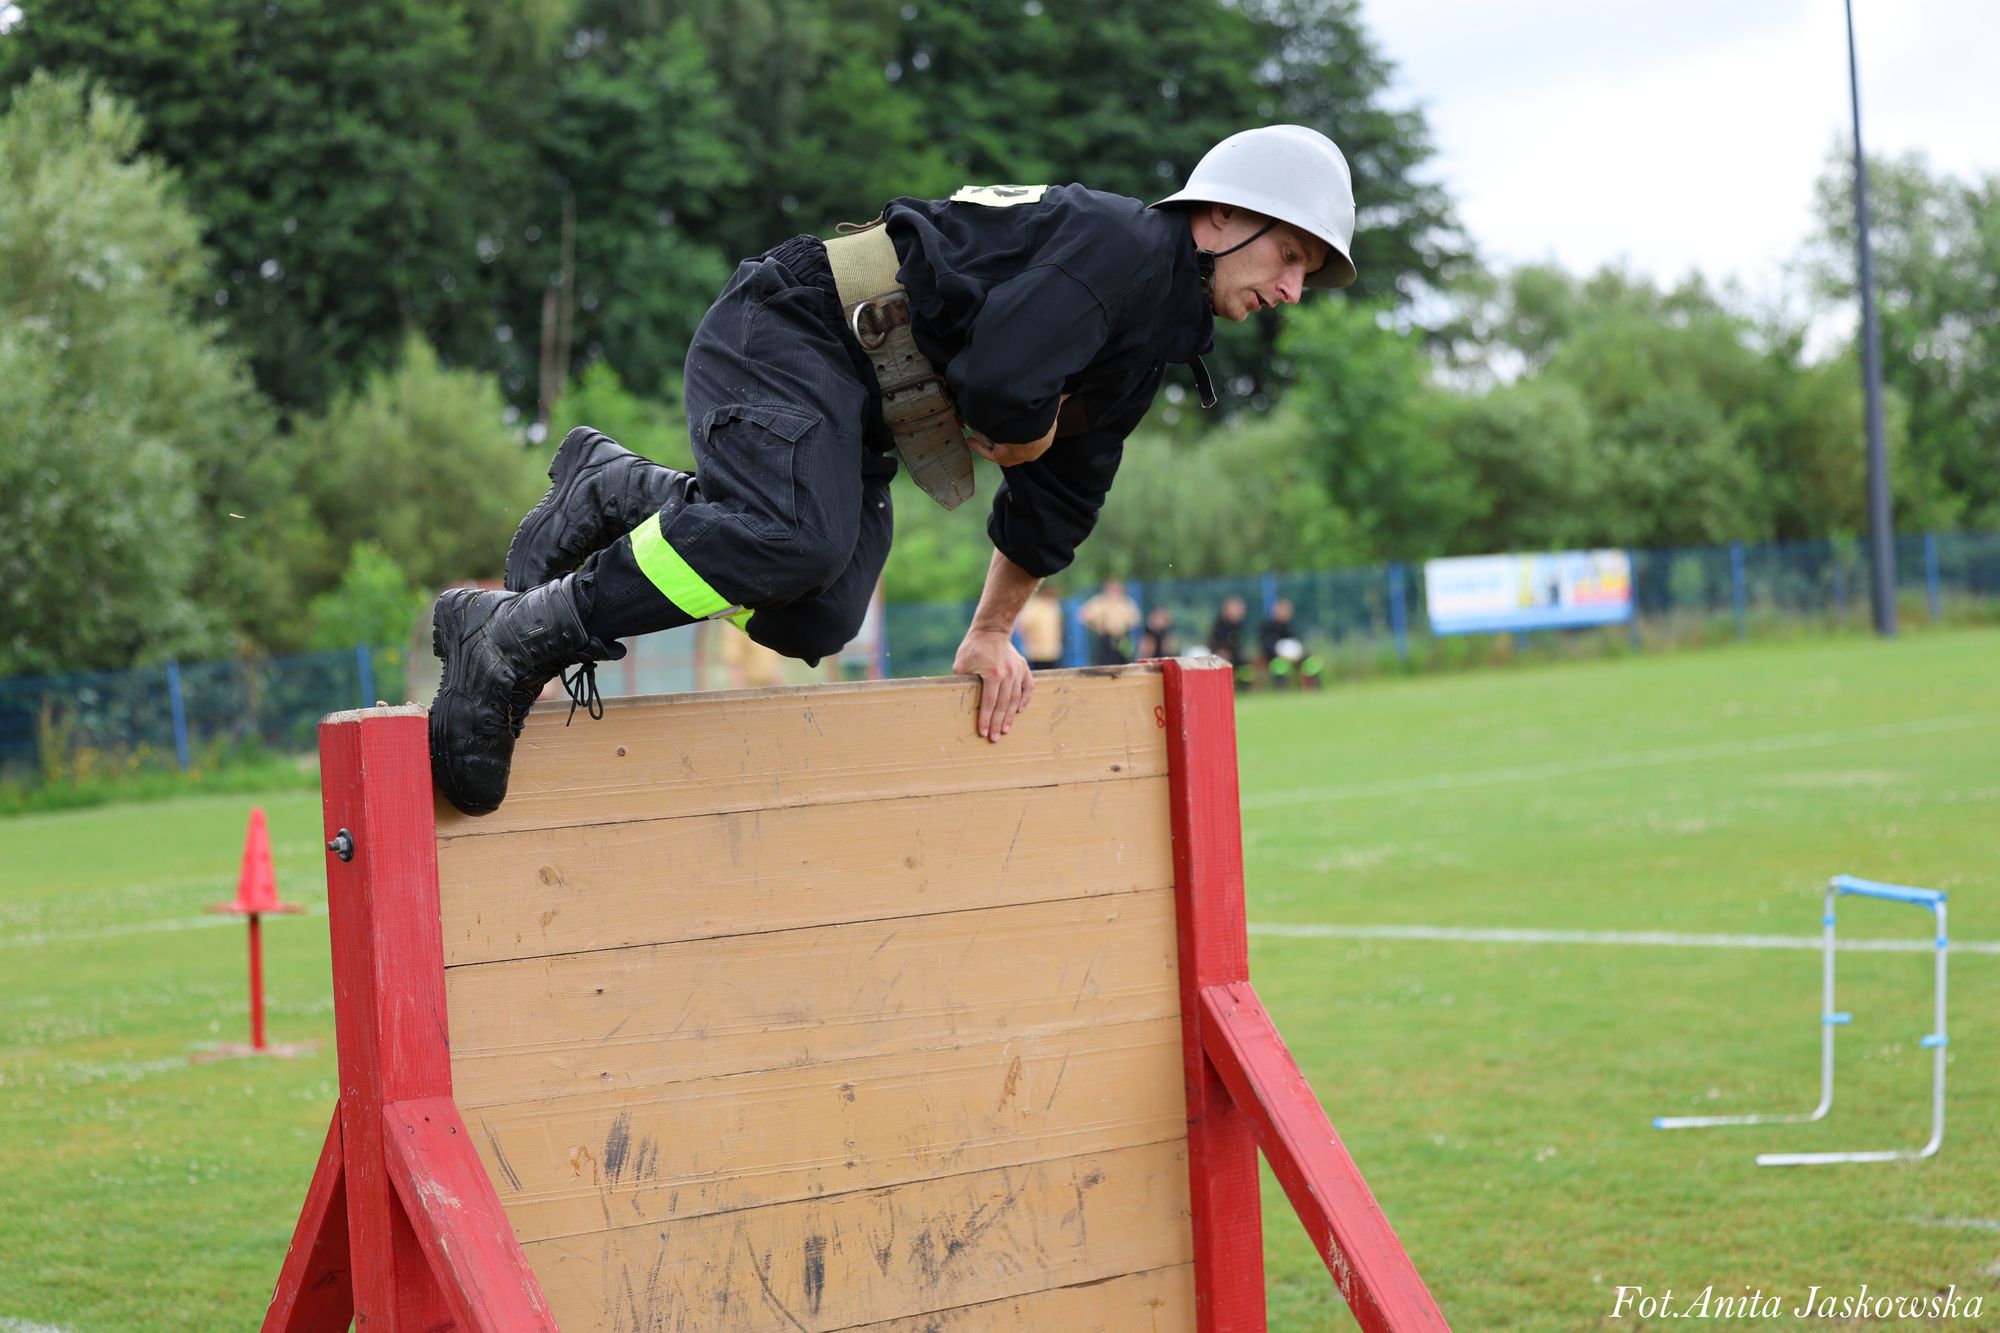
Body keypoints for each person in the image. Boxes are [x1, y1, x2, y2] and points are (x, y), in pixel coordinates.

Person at [428, 125, 1358, 815]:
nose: (1291, 290)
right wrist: (1026, 432)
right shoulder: (1121, 247)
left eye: (1307, 273)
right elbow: (1002, 383)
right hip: (793, 327)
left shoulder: (1145, 342)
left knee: (817, 616)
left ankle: (621, 489)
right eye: (1288, 255)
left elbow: (1057, 506)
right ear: (1222, 215)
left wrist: (991, 633)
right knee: (794, 536)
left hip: (854, 411)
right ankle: (515, 637)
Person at [1077, 578, 1142, 666]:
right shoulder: (1100, 601)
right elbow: (1082, 615)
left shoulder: (1126, 602)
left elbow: (1136, 619)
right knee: (1105, 667)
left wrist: (1126, 627)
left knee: (1124, 666)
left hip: (1122, 639)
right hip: (1106, 638)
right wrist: (1096, 627)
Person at [1015, 583, 1066, 671]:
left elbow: (1060, 624)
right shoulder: (1034, 606)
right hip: (1036, 653)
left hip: (1052, 651)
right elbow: (1022, 624)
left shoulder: (1054, 606)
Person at [1207, 596, 1251, 685]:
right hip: (1221, 653)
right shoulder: (1219, 624)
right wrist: (1219, 651)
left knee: (1246, 666)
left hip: (1236, 653)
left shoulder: (1240, 625)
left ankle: (1243, 685)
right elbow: (1213, 641)